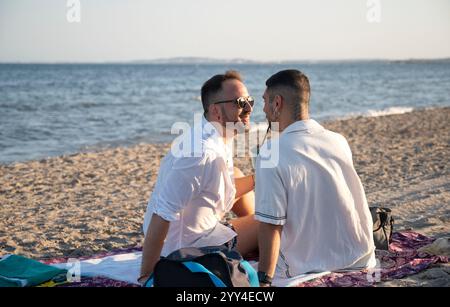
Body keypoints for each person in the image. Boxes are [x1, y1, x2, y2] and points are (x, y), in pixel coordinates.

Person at [255, 69, 376, 286]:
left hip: (304, 267)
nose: (263, 109)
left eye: (265, 101)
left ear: (277, 103)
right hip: (360, 257)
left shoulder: (271, 153)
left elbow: (270, 225)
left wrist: (263, 280)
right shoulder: (338, 140)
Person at [138, 70, 259, 285]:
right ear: (216, 111)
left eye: (250, 100)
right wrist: (147, 276)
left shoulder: (215, 135)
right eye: (240, 102)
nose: (249, 108)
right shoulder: (200, 154)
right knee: (268, 220)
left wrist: (259, 178)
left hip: (189, 232)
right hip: (186, 248)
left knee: (238, 175)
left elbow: (224, 189)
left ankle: (258, 240)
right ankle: (261, 237)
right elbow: (162, 213)